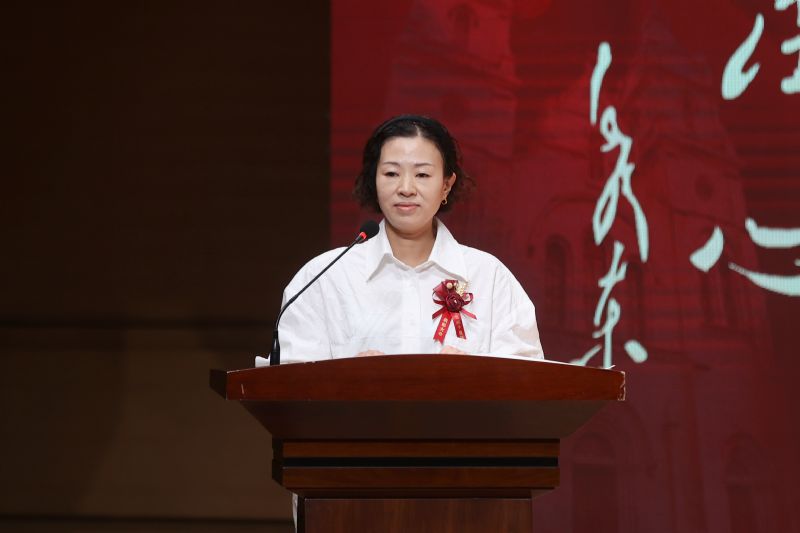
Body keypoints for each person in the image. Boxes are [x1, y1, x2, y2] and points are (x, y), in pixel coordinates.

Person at [255, 114, 543, 366]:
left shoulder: (490, 278)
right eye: (391, 173)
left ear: (446, 185)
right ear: (374, 180)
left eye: (422, 174)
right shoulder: (322, 279)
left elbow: (529, 384)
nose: (406, 188)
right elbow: (287, 387)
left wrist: (474, 378)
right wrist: (345, 380)